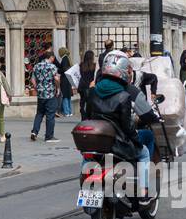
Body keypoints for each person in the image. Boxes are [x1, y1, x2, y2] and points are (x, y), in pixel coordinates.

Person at [83, 50, 158, 197]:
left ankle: (85, 186)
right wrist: (136, 140)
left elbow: (87, 116)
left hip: (97, 141)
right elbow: (127, 126)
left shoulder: (93, 91)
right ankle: (144, 191)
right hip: (118, 143)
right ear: (124, 71)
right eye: (129, 70)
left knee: (87, 155)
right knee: (144, 151)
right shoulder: (127, 93)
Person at [30, 50, 59, 141]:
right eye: (53, 58)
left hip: (40, 94)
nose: (53, 60)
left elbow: (33, 80)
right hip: (50, 93)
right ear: (51, 57)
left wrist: (37, 88)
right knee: (50, 115)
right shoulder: (52, 66)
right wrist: (58, 88)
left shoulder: (37, 66)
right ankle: (49, 136)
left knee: (39, 113)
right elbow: (56, 79)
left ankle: (34, 131)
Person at [78, 49, 98, 119]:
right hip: (90, 86)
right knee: (90, 102)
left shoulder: (81, 65)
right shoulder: (94, 66)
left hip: (82, 85)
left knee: (82, 102)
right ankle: (89, 116)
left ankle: (83, 116)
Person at [56, 47, 74, 117]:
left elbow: (63, 69)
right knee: (68, 95)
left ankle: (66, 112)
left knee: (65, 96)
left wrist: (58, 70)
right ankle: (69, 111)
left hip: (64, 80)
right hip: (68, 79)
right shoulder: (67, 58)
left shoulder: (64, 59)